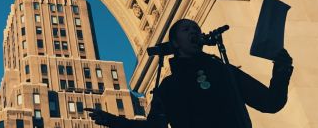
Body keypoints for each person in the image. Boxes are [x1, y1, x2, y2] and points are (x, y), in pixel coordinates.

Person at [87, 19, 293, 128]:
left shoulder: (224, 71)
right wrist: (114, 121)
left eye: (196, 28)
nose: (194, 31)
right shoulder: (168, 87)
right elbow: (154, 127)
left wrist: (281, 70)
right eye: (186, 29)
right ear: (175, 43)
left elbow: (270, 102)